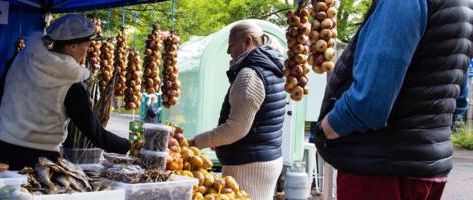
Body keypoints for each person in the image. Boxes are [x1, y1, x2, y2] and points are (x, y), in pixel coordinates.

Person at [314, 1, 473, 199]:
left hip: (379, 170)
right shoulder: (462, 5)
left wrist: (324, 130)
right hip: (428, 167)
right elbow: (458, 100)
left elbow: (369, 104)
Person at [0, 14, 131, 170]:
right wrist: (128, 146)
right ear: (71, 46)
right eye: (87, 45)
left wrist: (14, 131)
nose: (87, 50)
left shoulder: (18, 62)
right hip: (40, 164)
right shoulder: (72, 84)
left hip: (2, 153)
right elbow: (95, 134)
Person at [188, 21, 286, 200]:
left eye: (231, 45)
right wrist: (220, 139)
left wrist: (196, 142)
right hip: (266, 158)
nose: (228, 52)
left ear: (247, 42)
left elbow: (236, 129)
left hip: (248, 165)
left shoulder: (249, 75)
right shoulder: (271, 67)